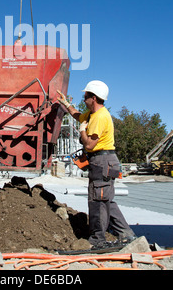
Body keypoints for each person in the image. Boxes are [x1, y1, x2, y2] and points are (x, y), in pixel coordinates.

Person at [57, 80, 136, 250]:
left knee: (97, 200)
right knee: (105, 199)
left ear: (93, 97)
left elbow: (89, 145)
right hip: (103, 161)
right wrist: (66, 104)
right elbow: (78, 116)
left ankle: (98, 239)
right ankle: (127, 234)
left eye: (85, 96)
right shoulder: (92, 114)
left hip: (102, 160)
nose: (83, 99)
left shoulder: (100, 117)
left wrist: (83, 130)